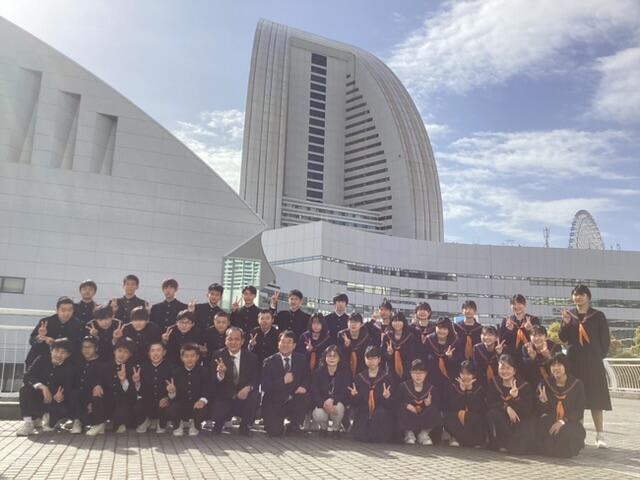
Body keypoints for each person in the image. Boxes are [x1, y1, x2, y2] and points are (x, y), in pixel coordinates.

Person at [559, 284, 611, 448]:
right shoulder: (569, 315)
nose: (578, 297)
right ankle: (579, 435)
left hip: (593, 364)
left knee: (596, 400)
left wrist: (597, 356)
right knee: (577, 400)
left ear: (588, 297)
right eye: (575, 294)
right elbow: (563, 338)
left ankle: (600, 434)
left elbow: (605, 340)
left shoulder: (598, 316)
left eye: (581, 294)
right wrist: (566, 323)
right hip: (574, 363)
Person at [16, 338, 75, 436]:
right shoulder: (42, 359)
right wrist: (43, 387)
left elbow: (69, 386)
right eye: (56, 351)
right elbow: (27, 376)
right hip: (40, 394)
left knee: (49, 427)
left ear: (68, 355)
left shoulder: (70, 367)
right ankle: (28, 423)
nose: (58, 355)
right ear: (51, 350)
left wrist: (62, 395)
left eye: (63, 352)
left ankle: (47, 418)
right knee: (25, 390)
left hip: (56, 400)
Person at [210, 327, 260, 436]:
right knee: (217, 400)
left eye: (237, 339)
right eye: (230, 339)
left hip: (244, 395)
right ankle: (218, 423)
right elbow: (213, 381)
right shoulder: (217, 355)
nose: (233, 342)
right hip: (225, 395)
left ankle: (245, 426)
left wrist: (248, 388)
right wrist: (221, 374)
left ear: (242, 341)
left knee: (255, 396)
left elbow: (255, 378)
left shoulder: (251, 357)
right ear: (225, 340)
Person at [261, 330, 311, 436]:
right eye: (283, 342)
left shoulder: (301, 359)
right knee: (275, 432)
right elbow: (265, 386)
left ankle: (294, 425)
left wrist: (304, 386)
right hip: (274, 402)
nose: (285, 345)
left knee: (305, 396)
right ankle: (273, 423)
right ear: (278, 344)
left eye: (289, 342)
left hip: (294, 399)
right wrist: (283, 381)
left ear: (294, 345)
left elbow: (307, 377)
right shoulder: (269, 361)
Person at [536, 352, 586, 458]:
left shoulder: (577, 385)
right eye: (553, 365)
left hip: (570, 421)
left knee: (567, 434)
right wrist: (543, 402)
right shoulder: (545, 384)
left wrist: (562, 421)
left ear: (566, 366)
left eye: (559, 365)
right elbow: (540, 410)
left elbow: (579, 411)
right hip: (550, 420)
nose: (556, 368)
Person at [486, 354, 535, 454]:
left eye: (508, 368)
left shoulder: (524, 386)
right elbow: (490, 402)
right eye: (502, 368)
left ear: (514, 370)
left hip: (520, 419)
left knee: (521, 447)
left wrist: (516, 398)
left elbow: (527, 410)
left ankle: (511, 445)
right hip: (502, 420)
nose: (504, 371)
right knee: (493, 413)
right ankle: (502, 443)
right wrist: (507, 408)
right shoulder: (494, 383)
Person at [86, 337, 137, 436]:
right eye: (119, 351)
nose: (122, 354)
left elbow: (132, 393)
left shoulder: (132, 369)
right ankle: (99, 424)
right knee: (96, 395)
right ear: (114, 352)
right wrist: (97, 385)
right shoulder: (104, 366)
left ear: (130, 355)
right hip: (107, 401)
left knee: (120, 422)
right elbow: (98, 380)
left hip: (122, 402)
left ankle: (120, 423)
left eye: (126, 352)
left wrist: (123, 381)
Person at [348, 346, 395, 443]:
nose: (371, 361)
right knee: (361, 434)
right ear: (364, 360)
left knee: (380, 414)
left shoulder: (387, 377)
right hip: (364, 411)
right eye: (368, 358)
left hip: (381, 412)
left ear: (379, 360)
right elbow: (355, 404)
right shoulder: (360, 378)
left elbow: (391, 404)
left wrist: (387, 397)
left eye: (374, 358)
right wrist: (355, 396)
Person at [168, 343, 211, 437]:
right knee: (173, 406)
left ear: (197, 357)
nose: (189, 359)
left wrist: (202, 401)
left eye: (192, 356)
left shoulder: (204, 371)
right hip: (181, 404)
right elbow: (172, 397)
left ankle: (195, 425)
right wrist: (172, 392)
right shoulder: (176, 372)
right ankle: (178, 424)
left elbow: (207, 390)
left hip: (196, 403)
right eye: (186, 356)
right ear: (182, 358)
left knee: (202, 409)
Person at [26, 296, 83, 367]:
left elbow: (77, 344)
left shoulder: (77, 324)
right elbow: (32, 341)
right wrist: (40, 338)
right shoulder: (45, 322)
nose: (67, 313)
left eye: (70, 310)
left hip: (63, 360)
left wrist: (56, 343)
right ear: (57, 310)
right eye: (63, 310)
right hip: (41, 358)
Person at [397, 359, 441, 445]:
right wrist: (406, 405)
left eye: (421, 373)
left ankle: (423, 434)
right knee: (401, 409)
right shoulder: (403, 386)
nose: (418, 376)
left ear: (426, 374)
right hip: (409, 417)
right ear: (410, 373)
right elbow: (397, 402)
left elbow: (438, 406)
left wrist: (429, 405)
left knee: (433, 410)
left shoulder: (431, 389)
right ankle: (409, 434)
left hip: (424, 418)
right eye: (415, 373)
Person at [443, 361, 486, 448]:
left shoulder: (479, 388)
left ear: (473, 375)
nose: (465, 376)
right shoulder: (453, 386)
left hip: (471, 419)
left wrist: (469, 390)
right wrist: (462, 391)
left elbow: (476, 408)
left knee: (475, 417)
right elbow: (453, 407)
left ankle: (464, 440)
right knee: (449, 417)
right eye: (463, 373)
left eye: (468, 374)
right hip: (456, 418)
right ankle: (455, 437)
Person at [310, 345, 351, 436]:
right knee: (318, 413)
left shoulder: (345, 372)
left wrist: (333, 400)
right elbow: (314, 392)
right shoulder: (318, 373)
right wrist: (323, 404)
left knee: (339, 408)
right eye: (329, 355)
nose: (331, 358)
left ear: (339, 358)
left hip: (337, 402)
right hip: (323, 403)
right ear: (325, 358)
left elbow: (345, 391)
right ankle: (323, 428)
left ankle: (336, 429)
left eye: (334, 356)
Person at [133, 341, 172, 434]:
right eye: (153, 350)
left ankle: (161, 423)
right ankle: (146, 421)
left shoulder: (171, 368)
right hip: (148, 401)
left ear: (164, 352)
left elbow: (175, 388)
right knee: (138, 405)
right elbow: (139, 391)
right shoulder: (142, 368)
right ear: (149, 353)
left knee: (168, 405)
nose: (155, 353)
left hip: (163, 401)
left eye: (158, 350)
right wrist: (137, 382)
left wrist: (168, 397)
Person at [423, 317, 461, 401]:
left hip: (449, 376)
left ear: (449, 330)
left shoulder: (455, 341)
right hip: (432, 376)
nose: (442, 331)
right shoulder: (429, 340)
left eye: (445, 329)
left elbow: (459, 360)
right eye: (439, 328)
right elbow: (423, 357)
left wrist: (451, 357)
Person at [70, 336, 101, 434]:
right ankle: (77, 421)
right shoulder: (78, 361)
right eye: (84, 347)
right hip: (79, 397)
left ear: (96, 348)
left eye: (89, 347)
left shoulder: (102, 363)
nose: (86, 350)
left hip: (94, 397)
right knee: (74, 392)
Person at [499, 294, 540, 365]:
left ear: (525, 305)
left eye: (519, 303)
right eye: (514, 304)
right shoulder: (506, 321)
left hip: (529, 356)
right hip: (512, 358)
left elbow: (539, 338)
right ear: (510, 306)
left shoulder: (533, 320)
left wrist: (530, 330)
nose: (517, 306)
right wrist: (510, 330)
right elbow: (502, 341)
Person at [383, 312, 420, 382]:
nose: (397, 323)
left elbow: (413, 355)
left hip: (406, 370)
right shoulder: (387, 337)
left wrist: (400, 352)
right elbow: (382, 354)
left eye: (399, 321)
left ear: (404, 322)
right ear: (391, 322)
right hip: (391, 370)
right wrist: (389, 354)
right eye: (394, 321)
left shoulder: (410, 337)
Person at [337, 313, 376, 378]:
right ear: (347, 323)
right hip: (345, 366)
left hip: (362, 366)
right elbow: (339, 353)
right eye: (351, 322)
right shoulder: (342, 335)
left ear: (361, 324)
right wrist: (346, 346)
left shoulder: (366, 336)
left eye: (356, 322)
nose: (353, 324)